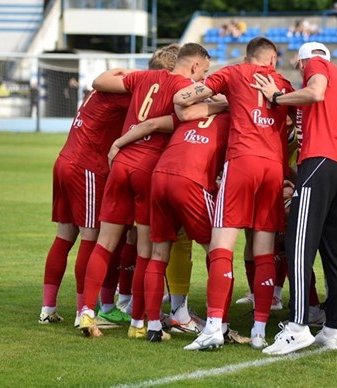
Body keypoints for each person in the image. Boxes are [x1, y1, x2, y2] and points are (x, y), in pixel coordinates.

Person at [38, 44, 178, 326]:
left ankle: (49, 308)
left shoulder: (114, 86)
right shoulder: (134, 92)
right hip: (88, 167)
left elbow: (101, 80)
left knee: (65, 236)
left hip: (65, 159)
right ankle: (84, 312)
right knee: (93, 240)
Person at [77, 43, 211, 339]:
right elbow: (172, 119)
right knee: (145, 251)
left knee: (105, 242)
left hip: (122, 164)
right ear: (192, 66)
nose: (203, 77)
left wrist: (119, 142)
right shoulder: (185, 89)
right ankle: (139, 323)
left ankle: (86, 311)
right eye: (203, 71)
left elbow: (99, 82)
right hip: (148, 169)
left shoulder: (140, 77)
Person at [174, 37, 294, 351]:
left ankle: (214, 326)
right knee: (264, 249)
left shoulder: (232, 72)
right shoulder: (282, 83)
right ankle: (258, 331)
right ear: (272, 59)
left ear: (247, 56)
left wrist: (202, 99)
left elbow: (186, 97)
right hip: (274, 169)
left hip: (241, 161)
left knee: (221, 246)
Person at [250, 42, 337, 355]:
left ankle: (297, 326)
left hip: (320, 158)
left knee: (297, 241)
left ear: (304, 57)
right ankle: (332, 330)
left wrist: (277, 97)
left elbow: (315, 91)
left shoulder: (316, 66)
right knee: (335, 250)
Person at [107, 102, 230, 342]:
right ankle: (219, 325)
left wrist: (119, 143)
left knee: (158, 254)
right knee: (218, 251)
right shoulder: (233, 120)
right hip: (191, 180)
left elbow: (151, 124)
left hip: (159, 176)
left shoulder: (188, 113)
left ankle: (153, 326)